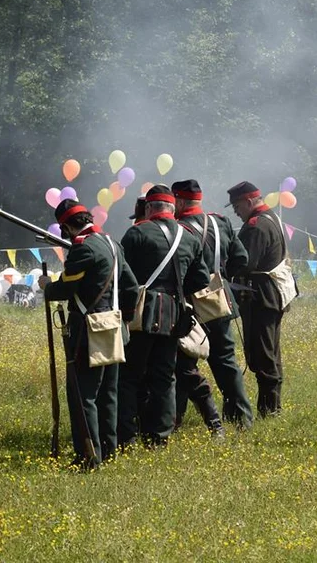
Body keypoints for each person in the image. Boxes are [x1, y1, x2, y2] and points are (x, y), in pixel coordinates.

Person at [39, 199, 139, 469]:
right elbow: (131, 287)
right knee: (108, 393)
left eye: (65, 230)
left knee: (83, 395)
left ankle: (88, 456)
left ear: (68, 226)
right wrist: (125, 317)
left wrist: (48, 287)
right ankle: (108, 450)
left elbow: (66, 288)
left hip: (88, 329)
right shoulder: (112, 243)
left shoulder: (83, 249)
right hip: (115, 325)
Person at [118, 185, 210, 448]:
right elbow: (200, 281)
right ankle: (159, 438)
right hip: (173, 315)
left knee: (130, 376)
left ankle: (127, 436)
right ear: (172, 208)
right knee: (164, 377)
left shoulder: (136, 233)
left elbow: (124, 277)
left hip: (140, 313)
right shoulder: (190, 237)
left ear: (149, 208)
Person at [174, 179, 254, 432]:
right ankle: (241, 417)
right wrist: (218, 277)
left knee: (184, 363)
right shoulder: (220, 222)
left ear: (180, 200)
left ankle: (175, 419)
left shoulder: (178, 228)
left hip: (190, 302)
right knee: (226, 361)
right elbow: (241, 258)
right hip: (218, 298)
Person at [228, 181, 292, 418]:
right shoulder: (270, 217)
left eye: (237, 207)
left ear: (247, 201)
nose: (236, 212)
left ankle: (269, 410)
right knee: (271, 352)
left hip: (260, 298)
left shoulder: (256, 226)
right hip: (270, 295)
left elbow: (245, 263)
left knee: (263, 354)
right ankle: (272, 407)